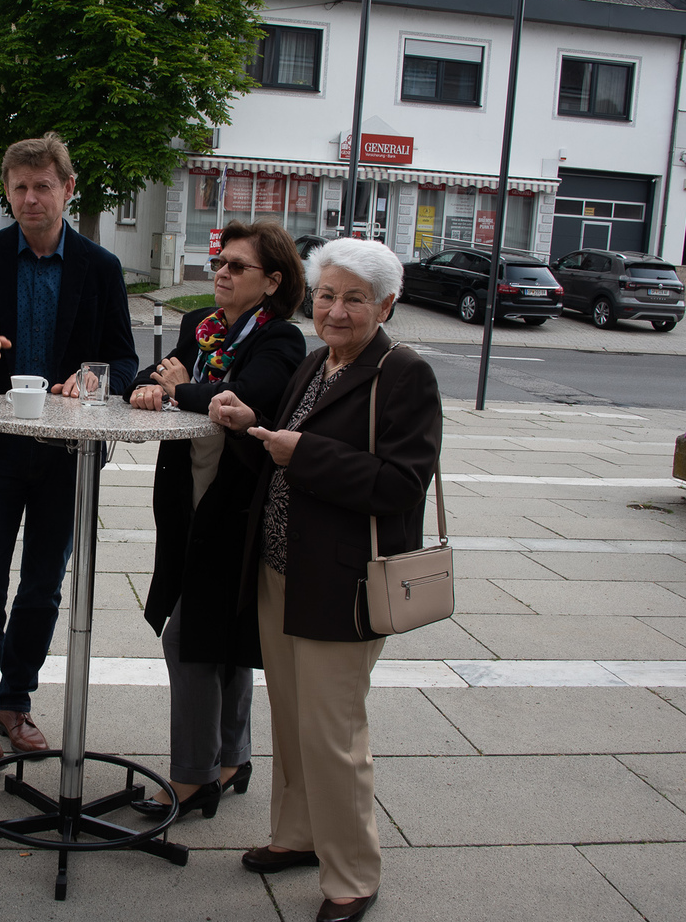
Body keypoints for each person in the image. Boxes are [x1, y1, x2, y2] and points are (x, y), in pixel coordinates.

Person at [210, 238, 442, 922]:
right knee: (291, 717)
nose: (336, 311)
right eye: (326, 296)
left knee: (334, 733)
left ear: (386, 305)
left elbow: (401, 484)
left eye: (354, 299)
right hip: (283, 569)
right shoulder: (316, 362)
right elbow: (287, 446)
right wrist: (255, 425)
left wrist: (304, 453)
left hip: (344, 583)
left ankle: (352, 875)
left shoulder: (405, 374)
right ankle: (298, 834)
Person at [0, 132, 138, 790]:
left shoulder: (100, 267)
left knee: (43, 588)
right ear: (7, 191)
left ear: (68, 189)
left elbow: (124, 360)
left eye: (42, 186)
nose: (30, 198)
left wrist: (94, 379)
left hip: (67, 458)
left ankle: (14, 702)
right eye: (18, 187)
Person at [125, 219, 306, 820]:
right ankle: (232, 760)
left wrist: (182, 389)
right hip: (189, 498)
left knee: (189, 636)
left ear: (271, 281)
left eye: (236, 266)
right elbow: (148, 378)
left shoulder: (281, 340)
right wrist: (163, 385)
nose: (221, 273)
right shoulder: (201, 326)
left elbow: (240, 401)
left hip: (238, 507)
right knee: (218, 634)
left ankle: (194, 777)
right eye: (219, 262)